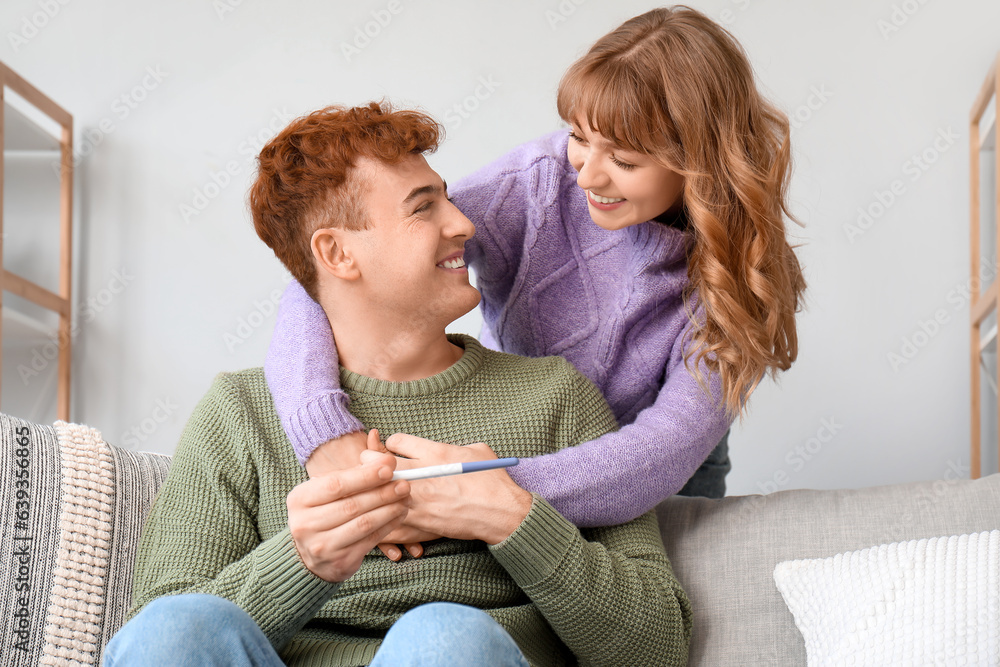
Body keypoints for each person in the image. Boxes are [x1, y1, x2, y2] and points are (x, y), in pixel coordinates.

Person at [104, 102, 692, 667]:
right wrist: (303, 560)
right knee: (177, 625)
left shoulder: (556, 397)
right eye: (423, 208)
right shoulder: (240, 414)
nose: (464, 224)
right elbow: (163, 635)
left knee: (443, 638)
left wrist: (511, 518)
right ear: (336, 253)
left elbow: (658, 646)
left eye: (449, 200)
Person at [265, 6, 807, 559]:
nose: (588, 175)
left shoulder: (740, 276)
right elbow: (324, 280)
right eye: (579, 136)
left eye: (622, 159)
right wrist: (326, 435)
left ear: (699, 161)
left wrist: (481, 492)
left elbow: (658, 454)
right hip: (525, 438)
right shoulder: (539, 186)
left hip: (652, 475)